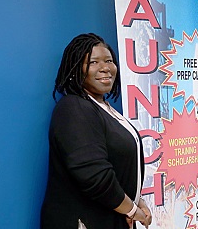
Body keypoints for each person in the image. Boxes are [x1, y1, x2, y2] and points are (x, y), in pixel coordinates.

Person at [41, 33, 152, 229]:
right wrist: (133, 211)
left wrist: (135, 199)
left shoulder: (103, 108)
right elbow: (95, 177)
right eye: (93, 62)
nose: (105, 68)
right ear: (76, 69)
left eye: (109, 60)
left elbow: (119, 167)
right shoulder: (74, 108)